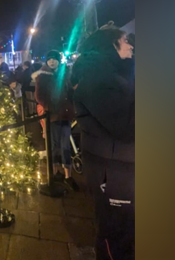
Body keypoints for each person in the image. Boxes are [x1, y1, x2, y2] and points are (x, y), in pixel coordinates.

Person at [71, 23, 135, 260]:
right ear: (110, 45)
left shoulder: (111, 74)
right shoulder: (97, 79)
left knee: (124, 230)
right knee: (117, 233)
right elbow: (126, 125)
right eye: (125, 40)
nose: (130, 45)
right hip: (112, 168)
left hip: (120, 163)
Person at [34, 51, 78, 191]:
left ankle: (67, 175)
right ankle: (53, 173)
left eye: (55, 59)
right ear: (46, 62)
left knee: (65, 145)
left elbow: (70, 92)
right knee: (53, 145)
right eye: (50, 59)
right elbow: (39, 95)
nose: (52, 62)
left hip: (65, 114)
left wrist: (71, 107)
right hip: (52, 115)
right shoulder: (42, 76)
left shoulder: (64, 74)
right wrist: (49, 108)